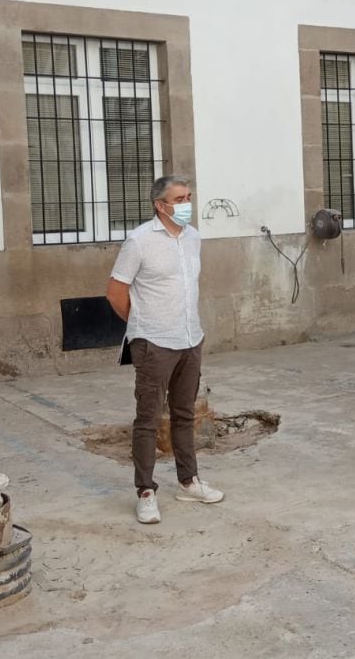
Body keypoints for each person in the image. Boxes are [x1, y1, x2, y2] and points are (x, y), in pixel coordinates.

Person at [106, 175, 224, 524]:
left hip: (190, 338)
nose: (187, 204)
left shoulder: (193, 238)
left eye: (189, 196)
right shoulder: (139, 241)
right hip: (154, 343)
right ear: (160, 205)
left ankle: (188, 481)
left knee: (184, 414)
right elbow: (115, 292)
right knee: (148, 418)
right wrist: (142, 326)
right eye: (179, 199)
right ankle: (145, 491)